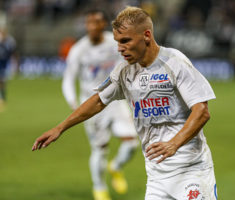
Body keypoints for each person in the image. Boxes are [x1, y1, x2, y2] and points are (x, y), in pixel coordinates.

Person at [33, 6, 218, 200]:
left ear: (146, 35)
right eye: (117, 42)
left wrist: (174, 143)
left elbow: (202, 111)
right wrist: (60, 128)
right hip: (156, 176)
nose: (120, 48)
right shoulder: (124, 71)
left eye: (125, 41)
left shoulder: (174, 62)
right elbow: (98, 101)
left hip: (191, 170)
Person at [61, 9, 138, 200]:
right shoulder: (79, 50)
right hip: (92, 106)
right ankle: (99, 188)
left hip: (116, 102)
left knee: (132, 144)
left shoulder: (115, 44)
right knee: (100, 148)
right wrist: (73, 102)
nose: (92, 27)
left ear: (104, 24)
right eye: (89, 23)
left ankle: (116, 167)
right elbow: (68, 79)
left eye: (96, 22)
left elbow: (130, 64)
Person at [0, 27, 16, 111]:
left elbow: (13, 53)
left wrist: (15, 65)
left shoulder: (9, 42)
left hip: (4, 65)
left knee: (2, 82)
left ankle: (2, 99)